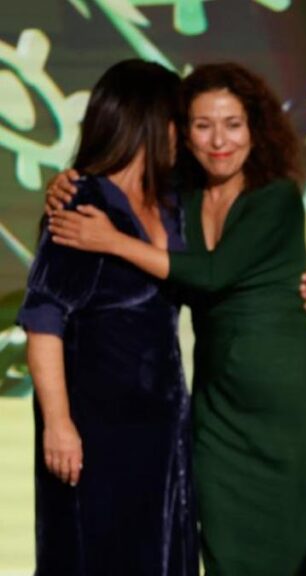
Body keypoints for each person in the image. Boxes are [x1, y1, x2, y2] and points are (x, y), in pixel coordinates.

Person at [47, 63, 306, 576]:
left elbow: (212, 274)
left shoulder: (276, 197)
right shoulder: (180, 201)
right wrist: (68, 183)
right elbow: (133, 212)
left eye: (233, 124)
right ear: (183, 133)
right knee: (225, 539)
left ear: (255, 128)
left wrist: (112, 241)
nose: (219, 141)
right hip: (218, 409)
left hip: (291, 405)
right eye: (203, 125)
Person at [17, 59, 198, 576]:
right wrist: (58, 423)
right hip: (96, 431)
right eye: (178, 120)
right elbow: (44, 320)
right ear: (151, 121)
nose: (185, 134)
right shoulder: (83, 200)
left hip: (162, 429)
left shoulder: (174, 203)